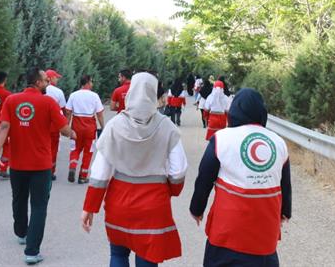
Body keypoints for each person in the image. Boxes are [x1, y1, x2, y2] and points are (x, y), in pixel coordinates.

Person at [81, 72, 188, 267]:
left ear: (131, 92)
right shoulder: (167, 126)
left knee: (118, 254)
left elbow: (100, 171)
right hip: (153, 205)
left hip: (119, 203)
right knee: (148, 256)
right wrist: (172, 190)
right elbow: (178, 170)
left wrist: (90, 206)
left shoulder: (115, 125)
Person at [189, 88, 291, 267]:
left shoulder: (221, 138)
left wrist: (196, 209)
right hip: (265, 235)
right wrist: (285, 211)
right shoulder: (278, 142)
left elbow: (204, 179)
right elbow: (285, 184)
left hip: (227, 233)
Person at [0, 68, 77, 265]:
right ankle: (32, 252)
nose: (48, 83)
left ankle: (21, 233)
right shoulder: (48, 102)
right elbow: (64, 129)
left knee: (19, 199)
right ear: (38, 83)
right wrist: (73, 133)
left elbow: (4, 127)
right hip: (41, 165)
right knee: (39, 206)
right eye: (46, 80)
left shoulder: (11, 100)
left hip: (18, 164)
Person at [66, 74, 105, 184]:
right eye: (91, 82)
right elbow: (99, 114)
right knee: (88, 151)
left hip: (76, 126)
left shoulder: (73, 95)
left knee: (75, 149)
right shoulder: (94, 96)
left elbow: (68, 112)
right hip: (90, 128)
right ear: (87, 83)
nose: (92, 84)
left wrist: (66, 126)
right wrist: (103, 127)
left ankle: (73, 166)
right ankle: (82, 177)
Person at [44, 69, 67, 181]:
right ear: (51, 78)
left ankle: (40, 169)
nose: (57, 80)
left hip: (39, 125)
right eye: (56, 77)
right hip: (53, 125)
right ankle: (50, 171)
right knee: (53, 148)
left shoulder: (39, 90)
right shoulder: (58, 92)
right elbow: (63, 109)